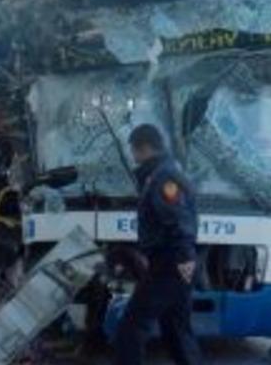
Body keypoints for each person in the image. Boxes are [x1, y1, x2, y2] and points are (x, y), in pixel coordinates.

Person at [114, 124, 201, 365]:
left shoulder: (164, 178)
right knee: (177, 332)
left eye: (134, 150)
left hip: (170, 264)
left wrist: (181, 261)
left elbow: (178, 221)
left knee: (131, 327)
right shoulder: (165, 172)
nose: (133, 157)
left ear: (143, 147)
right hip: (177, 263)